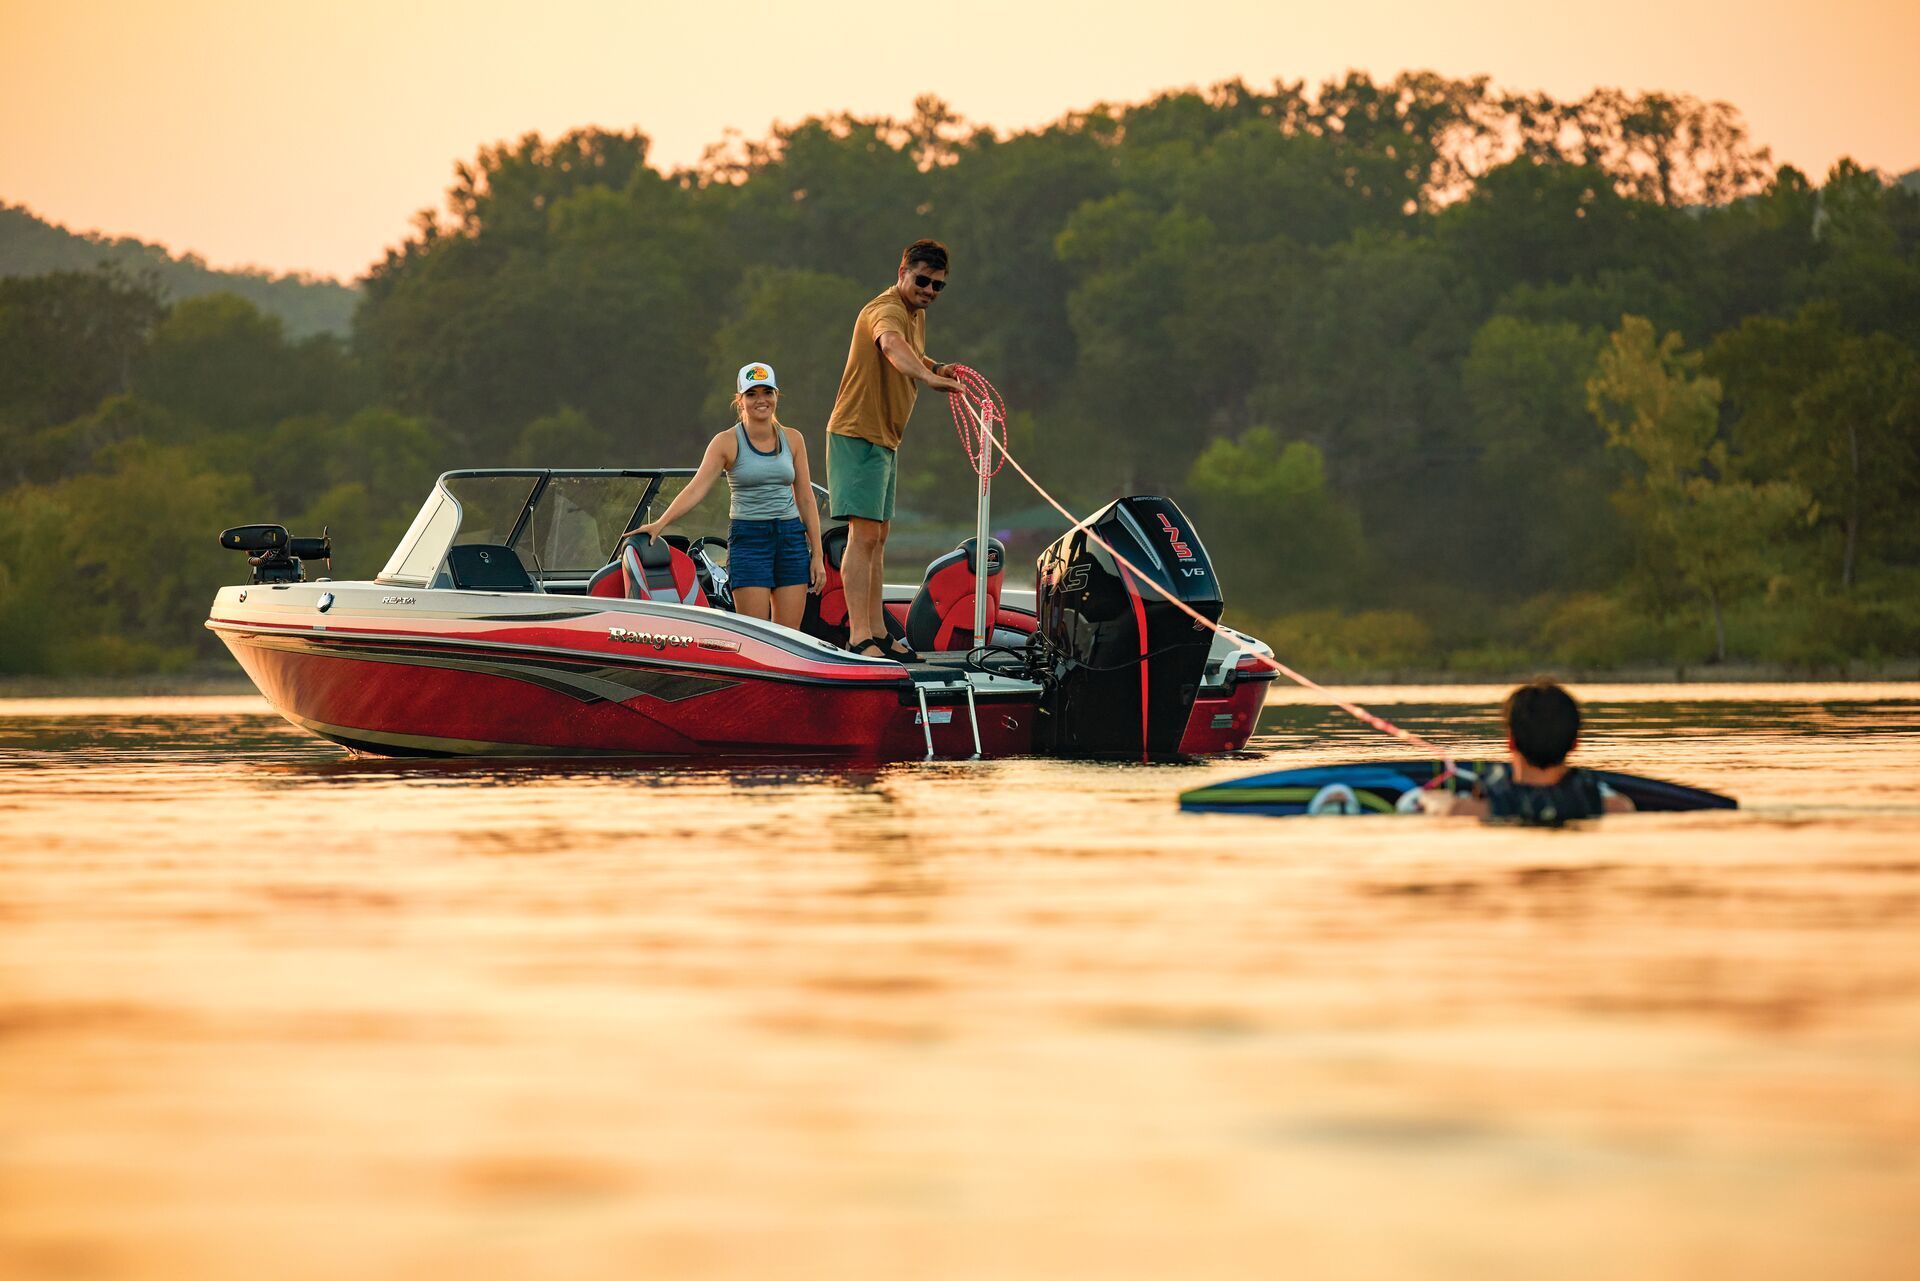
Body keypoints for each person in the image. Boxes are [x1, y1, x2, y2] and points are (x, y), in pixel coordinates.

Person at [825, 238, 965, 660]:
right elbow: (891, 346)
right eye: (922, 280)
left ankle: (879, 634)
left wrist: (937, 366)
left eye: (938, 285)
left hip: (886, 439)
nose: (929, 291)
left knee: (879, 537)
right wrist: (928, 377)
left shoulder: (914, 314)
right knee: (862, 536)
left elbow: (913, 350)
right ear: (902, 272)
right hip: (858, 434)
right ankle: (859, 638)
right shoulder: (884, 309)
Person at [628, 362, 825, 629]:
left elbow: (805, 498)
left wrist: (817, 554)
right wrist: (660, 523)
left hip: (791, 538)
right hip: (750, 539)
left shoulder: (793, 439)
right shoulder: (726, 442)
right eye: (752, 394)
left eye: (768, 392)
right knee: (757, 634)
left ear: (777, 396)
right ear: (740, 400)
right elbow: (697, 488)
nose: (761, 400)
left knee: (791, 636)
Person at [1420, 680, 1636, 822]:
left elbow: (1435, 805)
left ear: (1511, 742)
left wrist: (1431, 799)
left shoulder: (1466, 811)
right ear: (1575, 743)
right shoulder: (1617, 808)